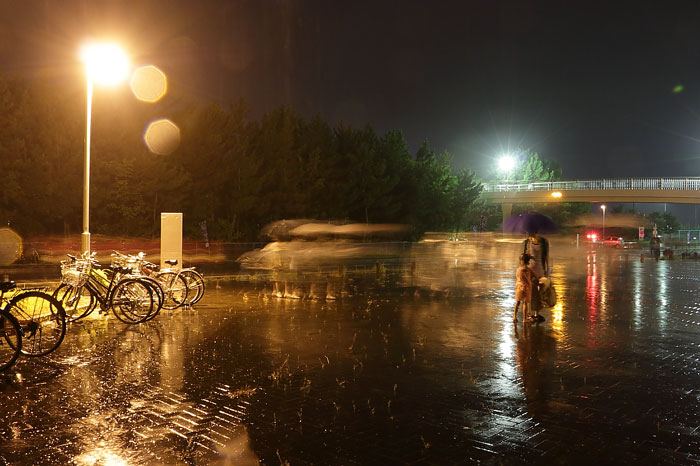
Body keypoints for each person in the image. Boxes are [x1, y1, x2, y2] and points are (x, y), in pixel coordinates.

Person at [523, 229, 550, 322]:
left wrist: (547, 269)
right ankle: (529, 313)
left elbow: (546, 256)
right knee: (530, 291)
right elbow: (524, 257)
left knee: (539, 293)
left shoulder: (543, 241)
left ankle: (537, 313)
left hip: (540, 269)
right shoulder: (527, 242)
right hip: (530, 270)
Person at [513, 252, 538, 323]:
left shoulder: (518, 270)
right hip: (526, 288)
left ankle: (514, 316)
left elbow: (517, 277)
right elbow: (536, 277)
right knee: (525, 303)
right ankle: (524, 318)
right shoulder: (529, 270)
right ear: (528, 261)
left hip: (518, 287)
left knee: (517, 302)